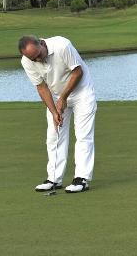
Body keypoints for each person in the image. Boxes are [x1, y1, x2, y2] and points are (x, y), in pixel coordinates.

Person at [18, 35, 97, 194]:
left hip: (82, 91)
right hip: (56, 94)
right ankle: (54, 178)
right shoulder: (27, 61)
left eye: (38, 55)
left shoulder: (62, 45)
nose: (38, 60)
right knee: (54, 136)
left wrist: (63, 98)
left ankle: (81, 179)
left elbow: (77, 72)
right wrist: (54, 111)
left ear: (41, 43)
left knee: (83, 135)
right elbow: (41, 87)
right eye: (33, 59)